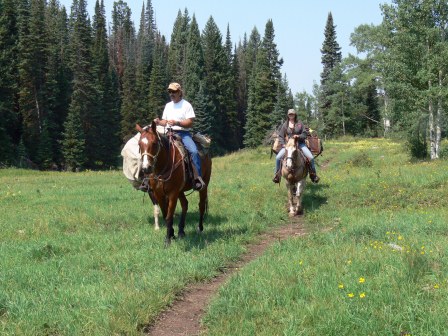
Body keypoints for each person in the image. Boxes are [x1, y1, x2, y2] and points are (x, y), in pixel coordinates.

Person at [154, 82, 205, 191]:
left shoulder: (186, 105)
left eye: (173, 91)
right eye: (169, 92)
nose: (171, 94)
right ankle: (149, 180)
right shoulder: (168, 106)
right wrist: (159, 122)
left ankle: (197, 178)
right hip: (169, 133)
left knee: (194, 151)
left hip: (183, 134)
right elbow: (165, 121)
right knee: (154, 149)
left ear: (179, 92)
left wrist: (178, 123)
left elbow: (190, 122)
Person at [273, 109, 320, 184]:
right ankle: (277, 175)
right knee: (278, 157)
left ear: (295, 115)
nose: (291, 116)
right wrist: (283, 144)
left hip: (300, 144)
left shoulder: (299, 123)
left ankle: (313, 174)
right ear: (288, 115)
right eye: (290, 114)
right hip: (288, 146)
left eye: (293, 114)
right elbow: (281, 136)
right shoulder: (285, 124)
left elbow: (304, 134)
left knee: (310, 157)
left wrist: (298, 136)